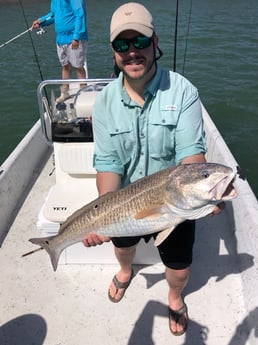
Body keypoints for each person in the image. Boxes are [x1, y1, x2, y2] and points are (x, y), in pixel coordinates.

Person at [83, 2, 224, 336]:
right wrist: (103, 217)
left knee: (178, 267)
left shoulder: (183, 91)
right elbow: (108, 164)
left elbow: (192, 157)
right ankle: (125, 271)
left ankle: (175, 298)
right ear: (114, 52)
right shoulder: (103, 103)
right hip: (125, 200)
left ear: (155, 42)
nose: (132, 52)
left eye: (140, 42)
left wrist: (206, 194)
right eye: (122, 45)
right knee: (122, 246)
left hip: (175, 202)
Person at [32, 0, 88, 103]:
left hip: (74, 38)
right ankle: (65, 93)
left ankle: (83, 92)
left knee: (78, 66)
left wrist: (76, 37)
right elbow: (53, 15)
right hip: (60, 39)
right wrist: (41, 21)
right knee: (65, 66)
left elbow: (80, 15)